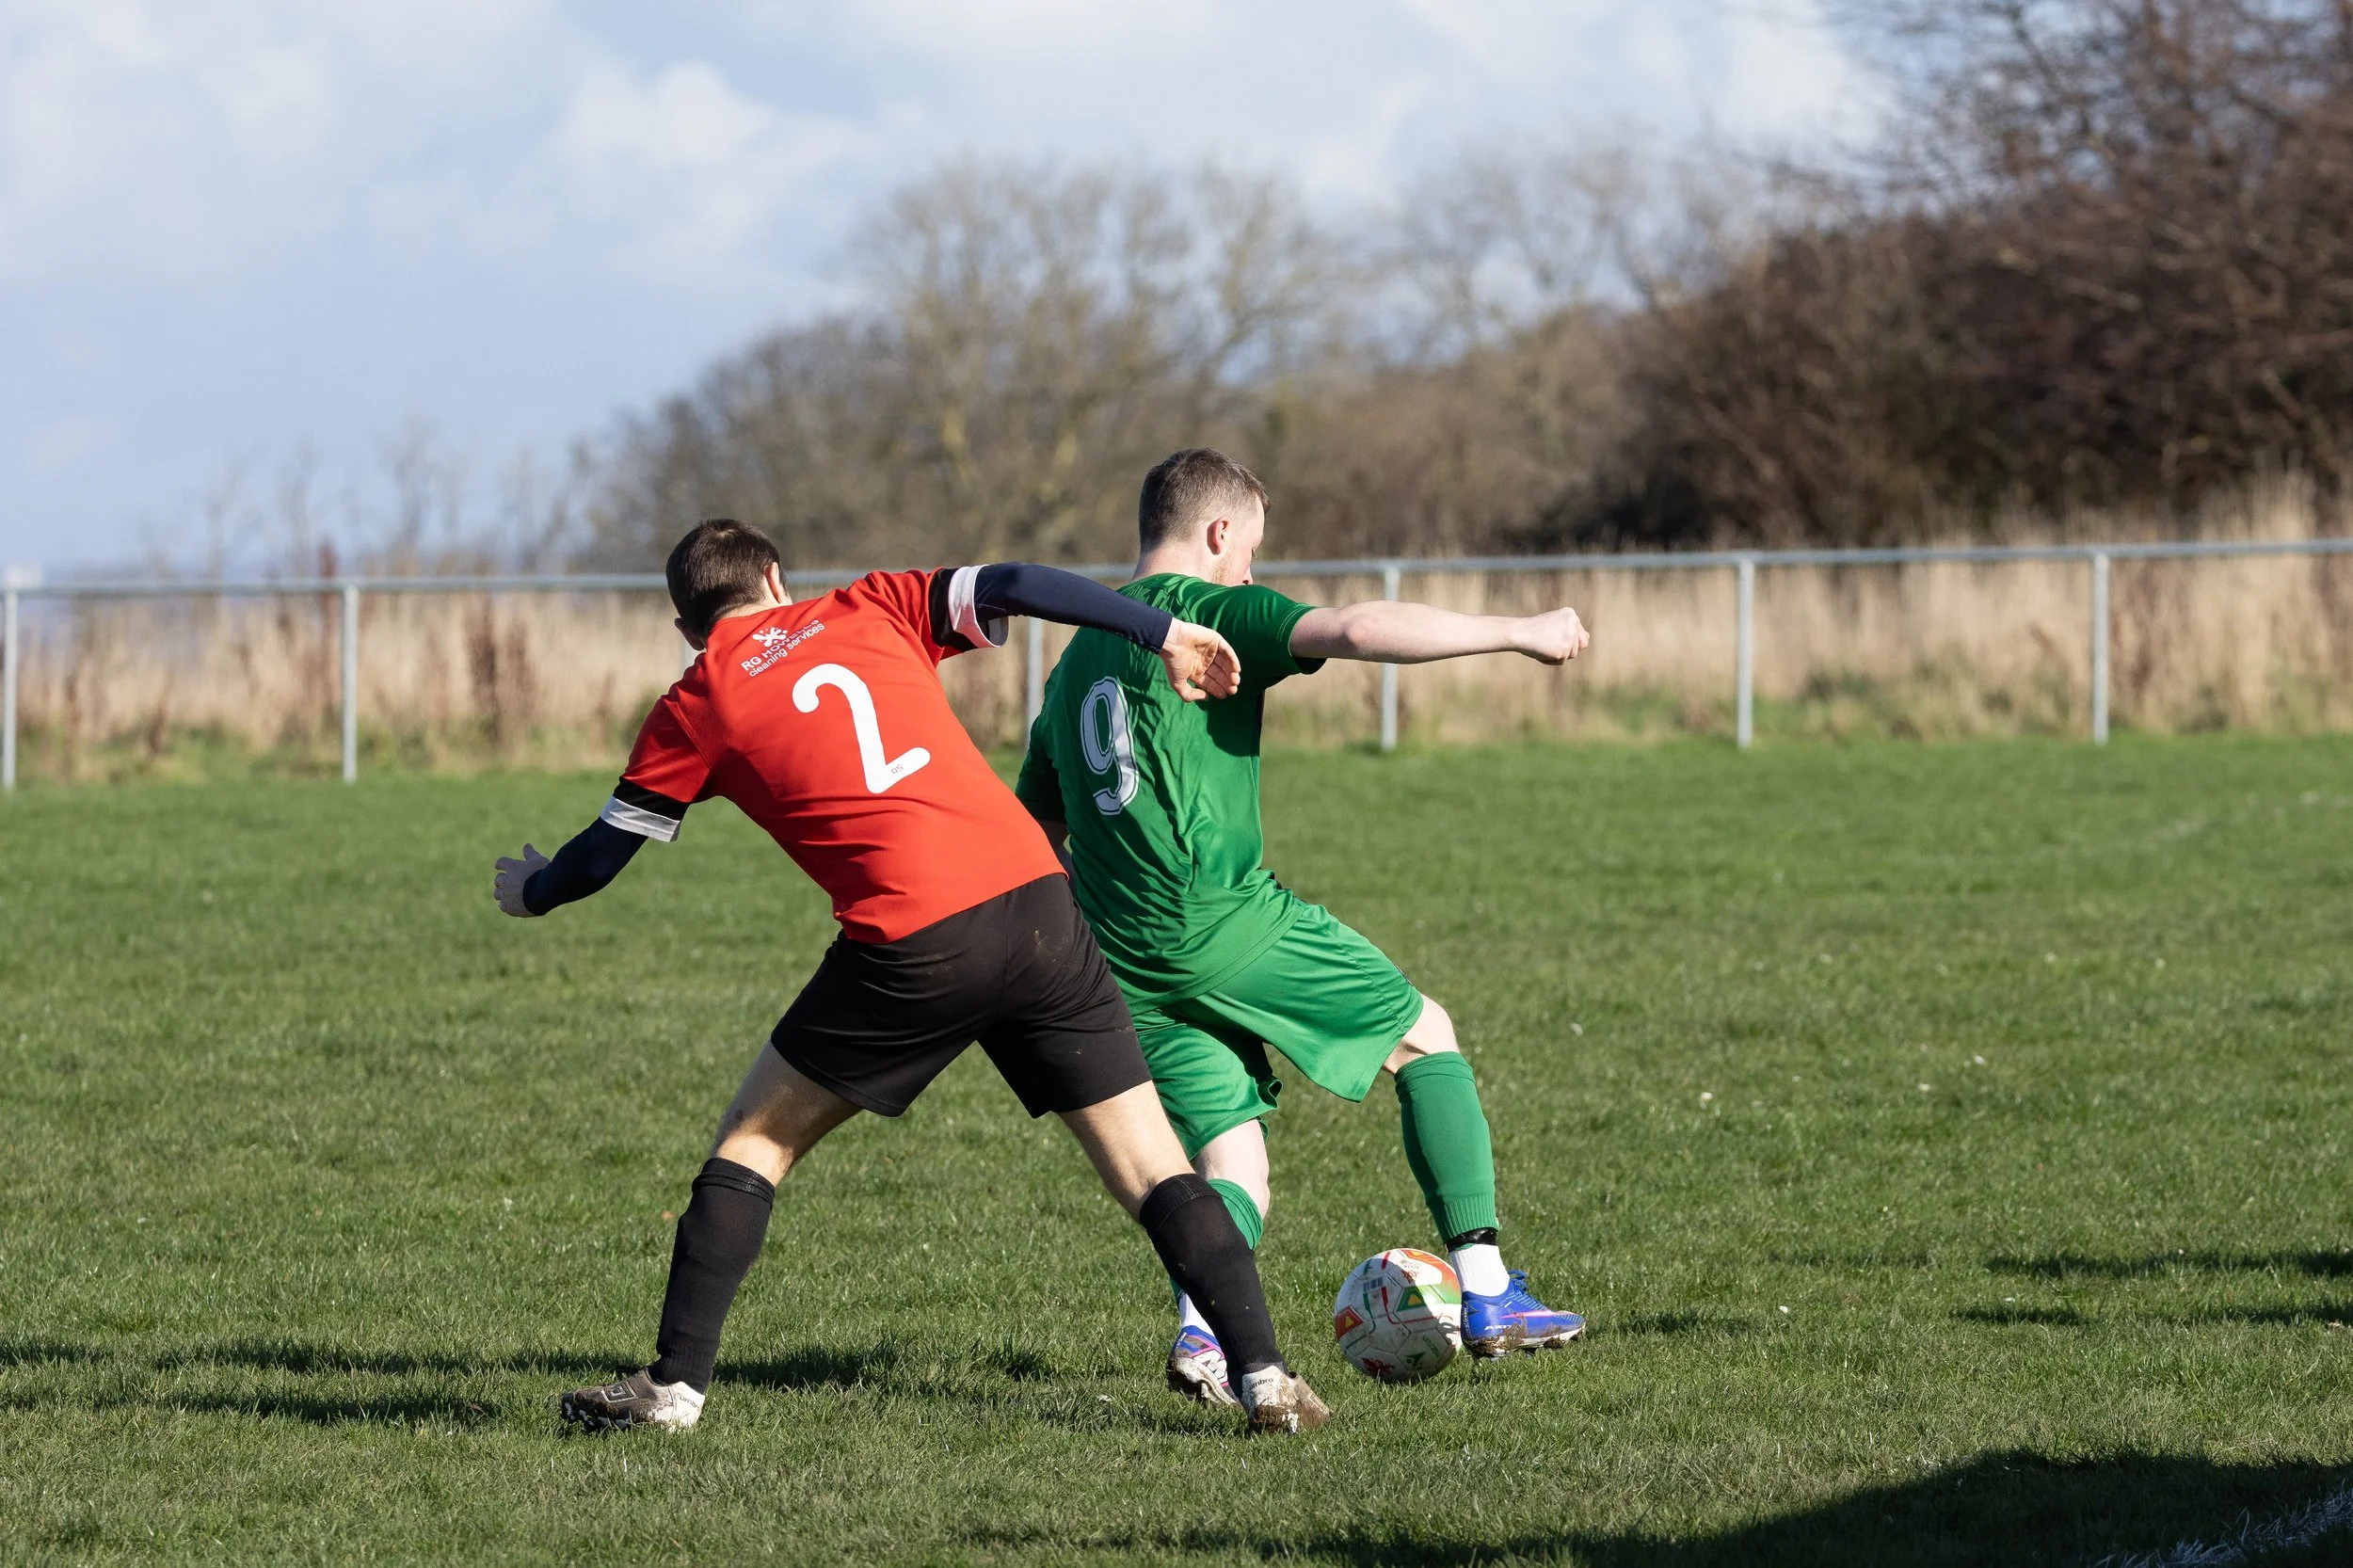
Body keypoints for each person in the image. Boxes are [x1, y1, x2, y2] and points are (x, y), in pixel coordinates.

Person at [492, 518, 1328, 1435]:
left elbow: (602, 857)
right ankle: (1267, 1379)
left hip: (912, 940)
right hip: (1039, 906)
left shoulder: (698, 699)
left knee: (752, 1146)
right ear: (776, 577)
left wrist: (531, 889)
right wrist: (1161, 630)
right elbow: (1011, 578)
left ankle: (673, 1388)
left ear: (688, 627)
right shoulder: (871, 604)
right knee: (1153, 1167)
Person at [1015, 449, 1592, 1406]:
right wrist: (1518, 630)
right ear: (1217, 534)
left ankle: (1204, 1332)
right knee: (1425, 1035)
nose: (1250, 572)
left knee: (1231, 1156)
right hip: (1224, 915)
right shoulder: (1205, 612)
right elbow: (1359, 625)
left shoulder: (1077, 661)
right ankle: (1489, 1296)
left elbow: (1036, 827)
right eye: (1250, 551)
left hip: (1120, 956)